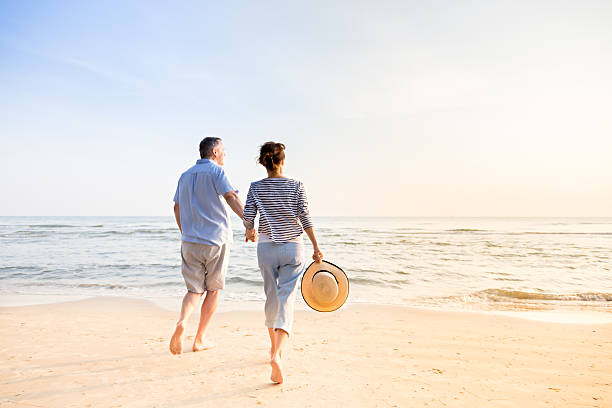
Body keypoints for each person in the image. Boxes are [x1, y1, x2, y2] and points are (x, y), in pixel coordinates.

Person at [243, 142, 323, 384]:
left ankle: (272, 349)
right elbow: (305, 217)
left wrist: (250, 231)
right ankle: (278, 354)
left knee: (271, 297)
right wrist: (316, 246)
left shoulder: (255, 187)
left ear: (263, 163)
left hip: (266, 248)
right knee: (286, 299)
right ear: (283, 161)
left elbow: (248, 217)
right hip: (292, 248)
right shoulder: (296, 186)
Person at [169, 137, 245, 354]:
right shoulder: (216, 172)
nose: (225, 154)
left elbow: (177, 208)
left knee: (194, 290)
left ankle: (182, 321)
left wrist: (186, 233)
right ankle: (199, 340)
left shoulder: (184, 176)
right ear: (214, 151)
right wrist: (248, 221)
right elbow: (231, 197)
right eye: (223, 150)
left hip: (190, 241)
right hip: (215, 240)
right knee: (213, 291)